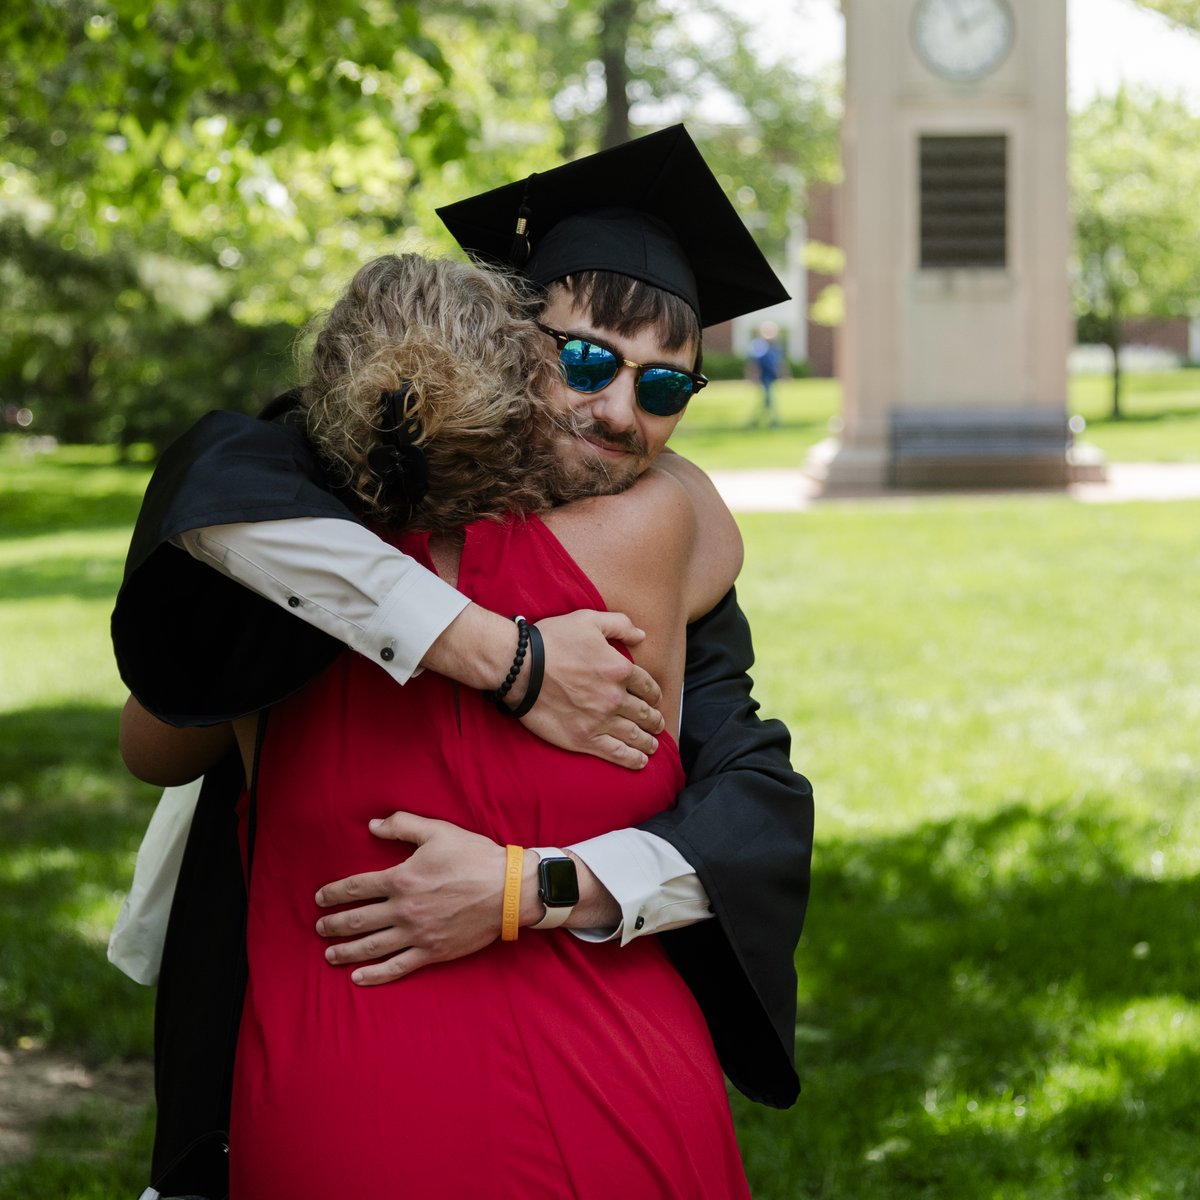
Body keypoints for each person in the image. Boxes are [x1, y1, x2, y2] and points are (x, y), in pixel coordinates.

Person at [111, 125, 813, 1198]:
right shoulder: (660, 531)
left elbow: (753, 807)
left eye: (666, 390)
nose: (622, 412)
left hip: (528, 1076)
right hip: (539, 1094)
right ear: (499, 331)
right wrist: (510, 658)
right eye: (586, 360)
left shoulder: (288, 553)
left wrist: (525, 887)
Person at [746, 320, 787, 428]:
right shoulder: (759, 345)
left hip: (771, 376)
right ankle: (771, 421)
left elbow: (779, 363)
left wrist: (783, 375)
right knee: (768, 399)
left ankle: (758, 421)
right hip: (764, 377)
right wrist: (753, 376)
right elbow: (754, 363)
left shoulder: (775, 346)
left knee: (767, 399)